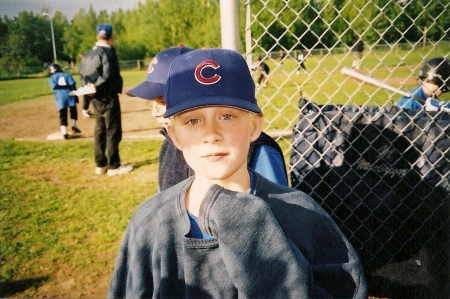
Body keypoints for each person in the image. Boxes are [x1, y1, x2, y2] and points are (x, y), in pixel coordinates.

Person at [107, 48, 367, 298]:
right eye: (193, 120)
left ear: (255, 125)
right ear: (173, 134)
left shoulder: (302, 215)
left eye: (227, 116)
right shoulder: (150, 222)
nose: (211, 134)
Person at [126, 46, 288, 191]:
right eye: (193, 120)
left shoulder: (256, 151)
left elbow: (279, 209)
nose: (155, 112)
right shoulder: (168, 145)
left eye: (163, 101)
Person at [79, 24, 133, 176]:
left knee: (99, 130)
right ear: (111, 36)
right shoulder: (108, 52)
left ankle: (100, 164)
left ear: (97, 35)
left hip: (94, 98)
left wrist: (89, 89)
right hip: (108, 96)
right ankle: (113, 165)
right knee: (113, 131)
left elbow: (82, 75)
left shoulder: (88, 54)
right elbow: (108, 74)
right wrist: (97, 86)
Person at [48, 63, 81, 139]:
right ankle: (74, 126)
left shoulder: (52, 78)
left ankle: (64, 132)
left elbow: (55, 86)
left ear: (54, 70)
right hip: (70, 95)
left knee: (63, 114)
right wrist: (75, 95)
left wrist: (64, 86)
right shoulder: (67, 75)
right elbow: (73, 85)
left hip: (60, 97)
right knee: (73, 111)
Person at [78, 53, 94, 118]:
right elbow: (84, 74)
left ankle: (86, 110)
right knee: (87, 97)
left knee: (90, 97)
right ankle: (84, 111)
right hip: (86, 82)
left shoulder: (86, 64)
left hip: (89, 82)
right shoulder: (83, 65)